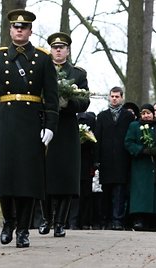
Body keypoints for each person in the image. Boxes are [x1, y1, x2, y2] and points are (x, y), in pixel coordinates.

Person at [0, 9, 59, 248]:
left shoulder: (44, 59)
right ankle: (8, 221)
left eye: (23, 27)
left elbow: (52, 98)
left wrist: (50, 127)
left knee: (28, 179)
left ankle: (24, 230)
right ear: (10, 30)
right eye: (16, 26)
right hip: (5, 122)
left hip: (31, 124)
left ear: (30, 31)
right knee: (5, 177)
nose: (19, 30)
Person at [38, 32, 90, 238]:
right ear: (50, 50)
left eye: (62, 47)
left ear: (68, 50)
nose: (58, 50)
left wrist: (68, 103)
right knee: (45, 174)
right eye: (54, 47)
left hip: (67, 127)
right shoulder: (41, 69)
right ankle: (46, 219)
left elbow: (85, 100)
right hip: (44, 125)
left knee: (66, 176)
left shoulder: (77, 74)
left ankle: (60, 222)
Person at [95, 86, 134, 230]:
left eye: (117, 96)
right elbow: (97, 138)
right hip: (105, 160)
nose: (114, 99)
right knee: (106, 192)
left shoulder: (128, 116)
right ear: (109, 97)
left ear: (122, 97)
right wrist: (96, 159)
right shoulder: (102, 116)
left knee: (119, 192)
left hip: (122, 160)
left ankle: (117, 220)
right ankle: (104, 220)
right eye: (112, 96)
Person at [124, 104, 156, 231]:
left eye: (148, 113)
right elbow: (128, 142)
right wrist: (141, 150)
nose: (146, 115)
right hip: (140, 165)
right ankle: (139, 219)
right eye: (143, 113)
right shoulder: (135, 126)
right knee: (140, 193)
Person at [68, 111, 97, 230]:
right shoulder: (69, 117)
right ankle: (72, 221)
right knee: (74, 195)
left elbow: (95, 140)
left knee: (86, 193)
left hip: (86, 161)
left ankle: (84, 221)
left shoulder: (90, 119)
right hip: (73, 161)